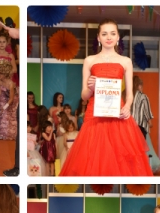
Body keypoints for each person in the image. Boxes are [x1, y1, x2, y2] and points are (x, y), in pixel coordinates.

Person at [59, 20, 152, 176]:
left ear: (118, 37)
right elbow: (84, 95)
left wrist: (127, 106)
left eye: (113, 33)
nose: (109, 37)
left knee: (122, 163)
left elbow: (130, 94)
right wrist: (91, 88)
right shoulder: (89, 60)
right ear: (98, 37)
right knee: (93, 160)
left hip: (118, 115)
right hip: (95, 115)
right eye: (104, 34)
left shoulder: (125, 61)